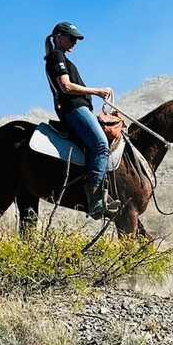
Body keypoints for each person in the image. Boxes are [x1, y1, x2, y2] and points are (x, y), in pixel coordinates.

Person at [44, 21, 120, 219]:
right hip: (74, 109)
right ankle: (95, 198)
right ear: (58, 37)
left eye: (76, 39)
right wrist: (97, 91)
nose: (74, 42)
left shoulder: (61, 57)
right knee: (102, 145)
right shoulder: (57, 56)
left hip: (78, 108)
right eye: (71, 38)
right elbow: (66, 87)